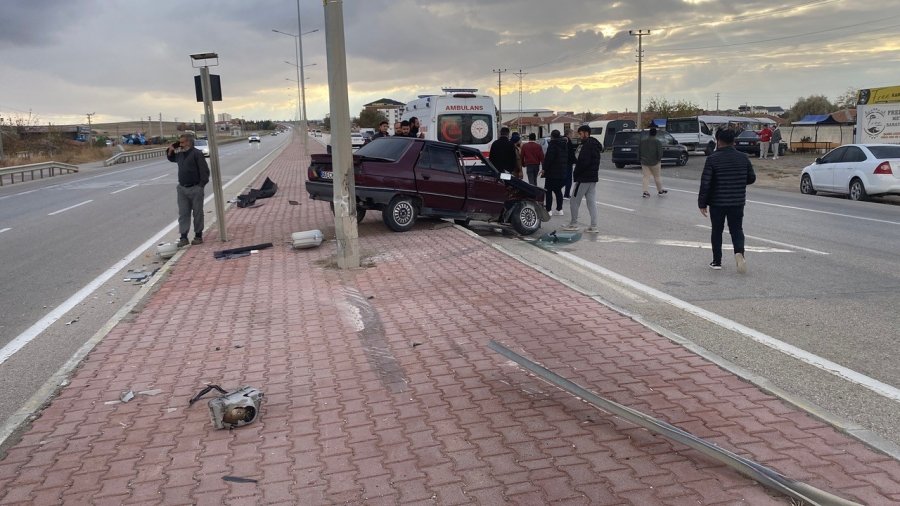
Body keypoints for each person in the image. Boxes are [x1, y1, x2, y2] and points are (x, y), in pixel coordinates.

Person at [698, 128, 756, 272]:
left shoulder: (712, 159)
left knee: (717, 231)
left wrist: (702, 203)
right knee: (737, 230)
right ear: (733, 141)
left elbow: (706, 182)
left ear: (718, 141)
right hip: (737, 201)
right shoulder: (743, 158)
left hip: (717, 202)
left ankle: (717, 261)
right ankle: (739, 254)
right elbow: (751, 178)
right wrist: (738, 182)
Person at [166, 133, 210, 247]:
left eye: (182, 142)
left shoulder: (197, 154)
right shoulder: (180, 155)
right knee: (183, 214)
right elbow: (171, 158)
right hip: (182, 189)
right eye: (179, 142)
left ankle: (198, 236)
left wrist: (201, 186)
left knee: (197, 213)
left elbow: (204, 171)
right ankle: (183, 237)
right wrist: (171, 149)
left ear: (188, 142)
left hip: (195, 188)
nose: (180, 144)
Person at [563, 125, 601, 233]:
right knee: (591, 202)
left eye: (580, 133)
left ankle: (574, 223)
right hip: (592, 178)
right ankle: (594, 226)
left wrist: (576, 173)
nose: (579, 136)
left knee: (574, 201)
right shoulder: (594, 144)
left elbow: (583, 163)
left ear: (586, 133)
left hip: (583, 178)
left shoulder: (586, 146)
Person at [541, 130, 568, 215]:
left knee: (548, 191)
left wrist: (544, 169)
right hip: (562, 172)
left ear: (552, 136)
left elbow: (549, 158)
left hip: (552, 173)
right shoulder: (564, 145)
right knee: (558, 191)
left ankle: (549, 210)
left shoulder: (552, 145)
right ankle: (560, 209)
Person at [639, 127, 667, 198]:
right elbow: (660, 153)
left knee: (646, 177)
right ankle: (660, 190)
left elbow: (639, 151)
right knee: (657, 177)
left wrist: (640, 159)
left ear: (649, 133)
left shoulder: (643, 141)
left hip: (644, 162)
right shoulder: (657, 141)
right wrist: (658, 159)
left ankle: (645, 192)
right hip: (655, 162)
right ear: (655, 134)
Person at [563, 131, 576, 198]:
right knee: (568, 179)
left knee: (563, 178)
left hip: (562, 163)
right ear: (568, 134)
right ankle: (566, 194)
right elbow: (571, 153)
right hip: (568, 163)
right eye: (572, 134)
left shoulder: (562, 140)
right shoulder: (568, 141)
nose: (572, 135)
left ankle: (558, 191)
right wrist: (575, 161)